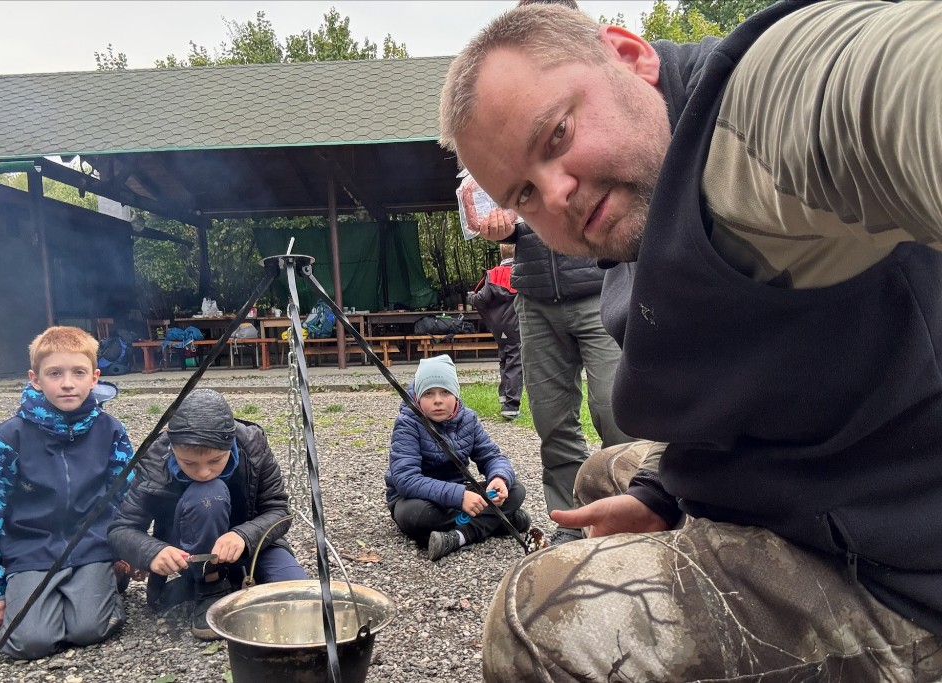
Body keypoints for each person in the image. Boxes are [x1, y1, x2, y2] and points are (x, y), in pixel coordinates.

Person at [440, 0, 942, 680]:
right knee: (608, 468)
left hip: (904, 569)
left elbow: (887, 85)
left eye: (556, 135)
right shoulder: (641, 213)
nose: (555, 194)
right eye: (523, 194)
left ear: (629, 55)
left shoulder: (754, 117)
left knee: (537, 616)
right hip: (831, 476)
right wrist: (664, 495)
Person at [0, 326, 135, 660]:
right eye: (55, 373)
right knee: (30, 643)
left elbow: (126, 497)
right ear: (35, 378)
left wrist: (129, 548)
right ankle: (41, 602)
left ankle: (103, 586)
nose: (68, 383)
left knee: (91, 630)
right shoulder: (6, 438)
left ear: (94, 377)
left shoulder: (111, 430)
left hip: (92, 547)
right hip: (31, 551)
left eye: (78, 373)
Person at [108, 388, 306, 641]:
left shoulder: (254, 447)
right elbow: (122, 528)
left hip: (254, 547)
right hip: (192, 551)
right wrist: (152, 551)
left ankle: (232, 579)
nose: (203, 471)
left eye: (216, 461)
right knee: (209, 491)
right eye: (188, 463)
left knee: (297, 594)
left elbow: (278, 510)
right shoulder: (155, 459)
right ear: (172, 447)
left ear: (231, 443)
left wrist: (243, 536)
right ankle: (209, 585)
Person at [385, 354, 530, 561]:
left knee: (516, 490)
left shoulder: (468, 419)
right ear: (417, 397)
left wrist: (499, 478)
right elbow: (405, 480)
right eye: (428, 393)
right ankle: (500, 520)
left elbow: (492, 456)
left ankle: (458, 537)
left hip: (459, 494)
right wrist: (459, 496)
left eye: (445, 392)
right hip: (416, 498)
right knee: (416, 516)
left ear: (456, 394)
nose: (437, 400)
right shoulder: (408, 423)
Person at [467, 242, 523, 419]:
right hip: (517, 324)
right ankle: (511, 406)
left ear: (501, 253)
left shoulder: (493, 274)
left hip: (499, 327)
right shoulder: (523, 272)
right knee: (515, 362)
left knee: (504, 357)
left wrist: (470, 296)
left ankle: (504, 395)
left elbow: (481, 299)